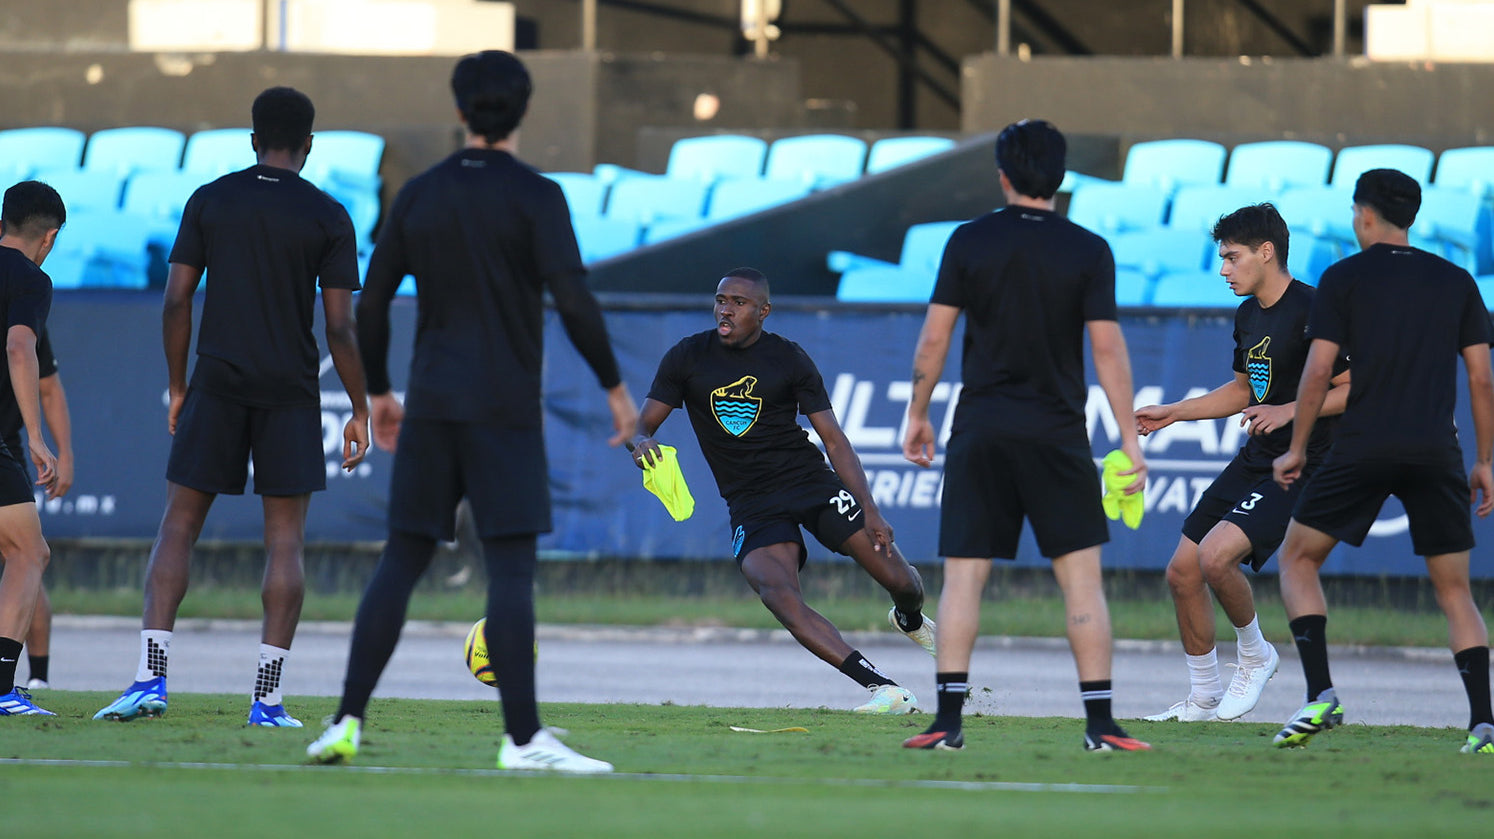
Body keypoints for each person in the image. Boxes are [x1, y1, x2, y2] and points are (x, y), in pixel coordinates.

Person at [306, 50, 636, 774]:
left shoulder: (420, 194)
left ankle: (344, 720)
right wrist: (616, 390)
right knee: (511, 569)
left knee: (402, 558)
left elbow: (371, 303)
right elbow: (573, 299)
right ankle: (522, 739)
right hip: (504, 408)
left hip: (432, 404)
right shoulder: (538, 196)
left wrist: (383, 392)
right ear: (522, 113)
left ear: (460, 111)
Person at [95, 87, 371, 727]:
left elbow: (175, 300)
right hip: (291, 391)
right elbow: (340, 329)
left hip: (216, 384)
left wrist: (179, 383)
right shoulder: (329, 215)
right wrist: (357, 407)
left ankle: (149, 682)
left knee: (178, 527)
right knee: (285, 541)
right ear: (308, 143)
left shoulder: (210, 198)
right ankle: (267, 700)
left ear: (252, 139)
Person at [899, 119, 1150, 753]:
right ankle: (1101, 726)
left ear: (1003, 175)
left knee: (964, 579)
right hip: (1057, 433)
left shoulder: (968, 240)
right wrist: (1129, 436)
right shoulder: (1089, 249)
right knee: (1082, 582)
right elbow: (1108, 349)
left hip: (982, 427)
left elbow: (935, 337)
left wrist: (917, 411)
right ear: (1061, 179)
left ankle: (947, 724)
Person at [630, 267, 937, 715]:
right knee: (777, 594)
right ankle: (885, 689)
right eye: (721, 299)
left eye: (738, 302)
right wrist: (641, 443)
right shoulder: (687, 356)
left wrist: (869, 509)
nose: (725, 309)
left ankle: (908, 618)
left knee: (900, 581)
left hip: (808, 481)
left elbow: (834, 439)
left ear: (763, 311)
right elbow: (642, 425)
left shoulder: (789, 358)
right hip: (752, 502)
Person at [1272, 168, 1494, 754]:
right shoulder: (1456, 280)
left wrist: (1296, 446)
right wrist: (1485, 461)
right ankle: (1484, 724)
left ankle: (1321, 694)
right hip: (1434, 449)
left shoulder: (1343, 277)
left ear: (1364, 215)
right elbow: (1481, 379)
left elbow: (1319, 371)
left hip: (1363, 445)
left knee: (1296, 560)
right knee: (1454, 593)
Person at [1135, 204, 1349, 723]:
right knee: (1182, 572)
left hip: (1303, 463)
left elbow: (1353, 387)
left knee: (1215, 558)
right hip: (1256, 458)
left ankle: (1255, 655)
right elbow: (1241, 389)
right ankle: (1204, 697)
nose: (1224, 269)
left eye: (1232, 257)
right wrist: (1175, 413)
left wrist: (1289, 410)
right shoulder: (1248, 313)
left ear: (1266, 252)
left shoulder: (1316, 310)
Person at [0, 181, 63, 717]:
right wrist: (36, 436)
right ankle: (2, 687)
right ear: (50, 236)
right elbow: (21, 346)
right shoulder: (30, 280)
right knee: (29, 552)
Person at [3, 328, 73, 691]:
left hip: (9, 447)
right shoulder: (24, 294)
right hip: (11, 447)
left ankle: (37, 677)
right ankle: (27, 680)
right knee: (27, 556)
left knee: (26, 556)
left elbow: (48, 386)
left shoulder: (26, 312)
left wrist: (63, 451)